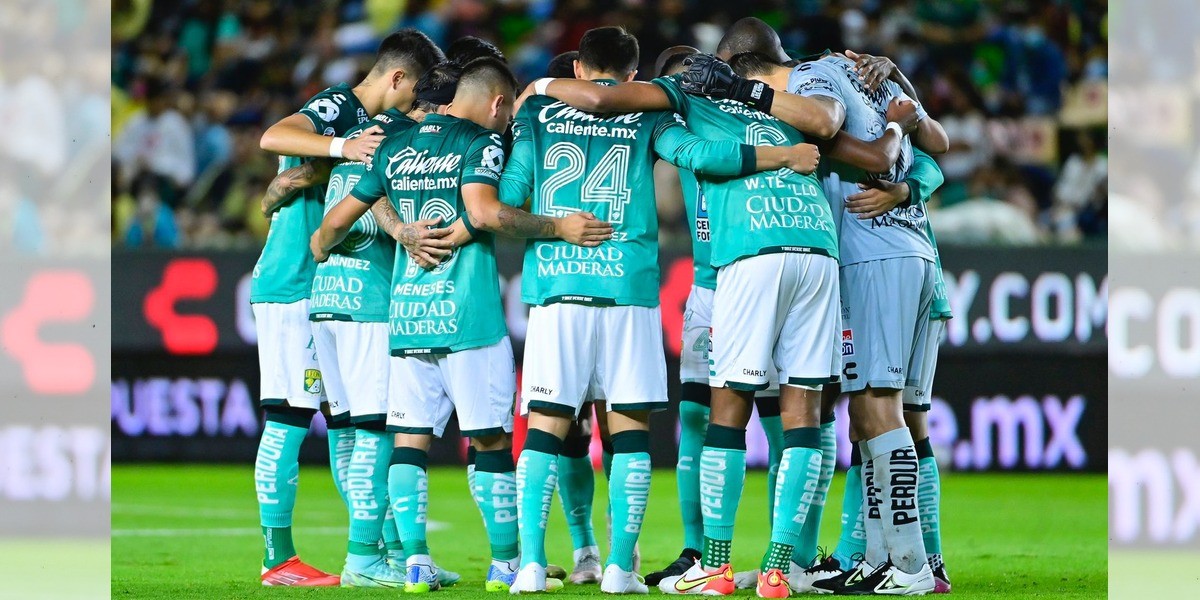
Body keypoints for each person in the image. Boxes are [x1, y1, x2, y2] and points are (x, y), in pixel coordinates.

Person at [527, 40, 915, 600]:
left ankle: (715, 563)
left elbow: (606, 104)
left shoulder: (683, 105)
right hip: (816, 255)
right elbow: (872, 155)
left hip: (746, 259)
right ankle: (784, 567)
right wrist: (899, 128)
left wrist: (535, 89)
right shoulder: (780, 109)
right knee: (804, 413)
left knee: (725, 412)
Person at [310, 56, 612, 594]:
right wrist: (557, 227)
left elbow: (331, 225)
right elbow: (489, 212)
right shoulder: (480, 142)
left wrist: (377, 236)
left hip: (406, 317)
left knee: (409, 443)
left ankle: (417, 563)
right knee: (491, 442)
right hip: (468, 317)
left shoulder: (396, 145)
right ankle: (503, 565)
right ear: (498, 104)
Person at [695, 47, 948, 594]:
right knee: (878, 414)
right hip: (914, 256)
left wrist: (895, 145)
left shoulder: (812, 85)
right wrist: (909, 170)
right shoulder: (870, 80)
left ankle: (909, 565)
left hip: (869, 258)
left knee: (877, 410)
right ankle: (879, 556)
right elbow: (937, 152)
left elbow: (861, 144)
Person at [250, 28, 442, 587]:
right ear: (397, 78)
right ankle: (277, 559)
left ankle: (375, 549)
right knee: (288, 417)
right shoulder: (341, 108)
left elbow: (296, 179)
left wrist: (290, 184)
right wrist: (339, 149)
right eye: (414, 93)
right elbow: (274, 136)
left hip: (329, 286)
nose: (417, 105)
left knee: (348, 427)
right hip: (292, 283)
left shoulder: (372, 128)